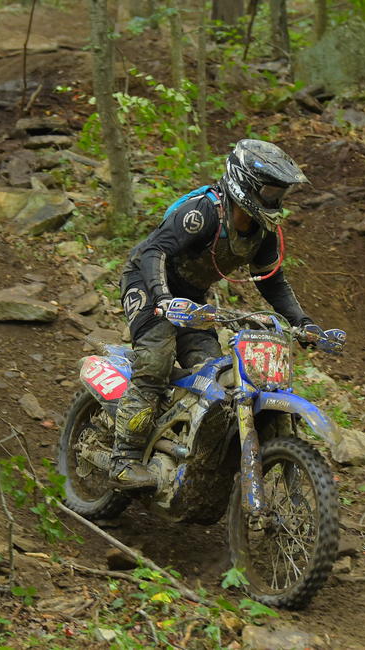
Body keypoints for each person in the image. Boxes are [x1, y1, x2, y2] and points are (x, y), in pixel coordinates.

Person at [110, 139, 325, 488]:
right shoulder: (204, 212)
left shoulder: (263, 232)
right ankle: (124, 457)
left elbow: (272, 282)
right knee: (156, 360)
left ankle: (177, 448)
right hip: (147, 283)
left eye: (279, 193)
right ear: (246, 183)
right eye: (270, 191)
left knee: (213, 379)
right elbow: (154, 252)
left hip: (192, 298)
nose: (274, 200)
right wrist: (163, 298)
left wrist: (302, 321)